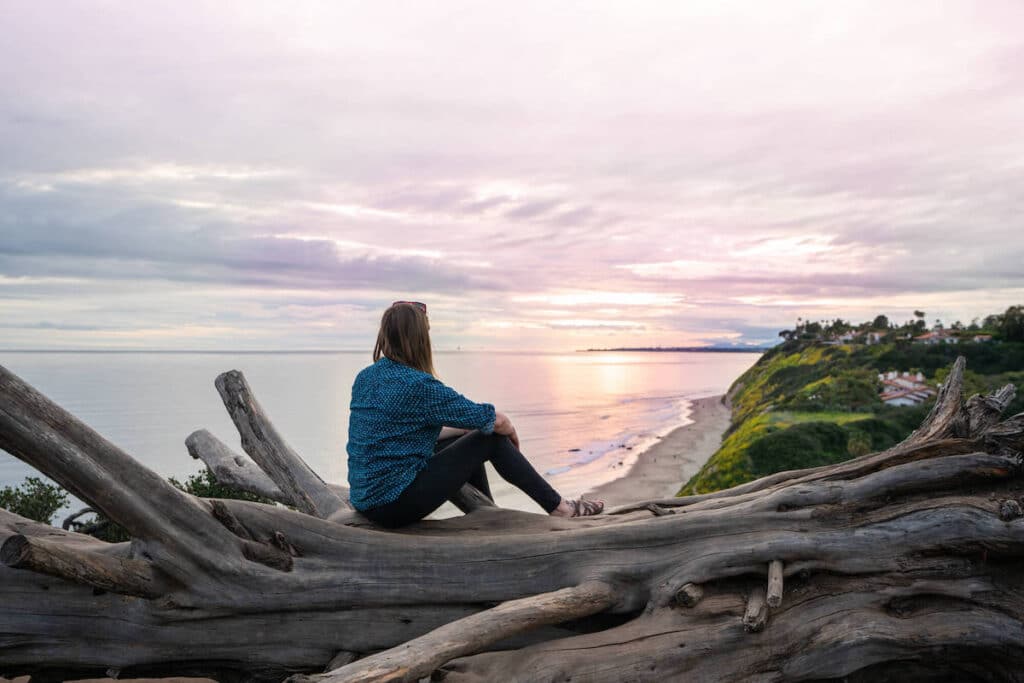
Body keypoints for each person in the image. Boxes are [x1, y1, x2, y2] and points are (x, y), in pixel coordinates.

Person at [346, 300, 604, 527]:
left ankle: (488, 514)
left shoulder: (366, 377)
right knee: (489, 437)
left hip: (366, 499)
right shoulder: (419, 386)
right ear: (420, 339)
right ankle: (561, 509)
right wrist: (509, 431)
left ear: (385, 335)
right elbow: (495, 420)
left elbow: (401, 435)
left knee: (472, 434)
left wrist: (470, 428)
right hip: (394, 506)